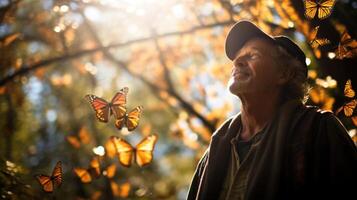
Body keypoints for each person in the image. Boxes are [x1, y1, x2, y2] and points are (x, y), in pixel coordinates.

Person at [187, 20, 357, 200]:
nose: (238, 61)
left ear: (284, 74)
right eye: (238, 58)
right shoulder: (213, 153)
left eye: (252, 55)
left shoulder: (319, 129)